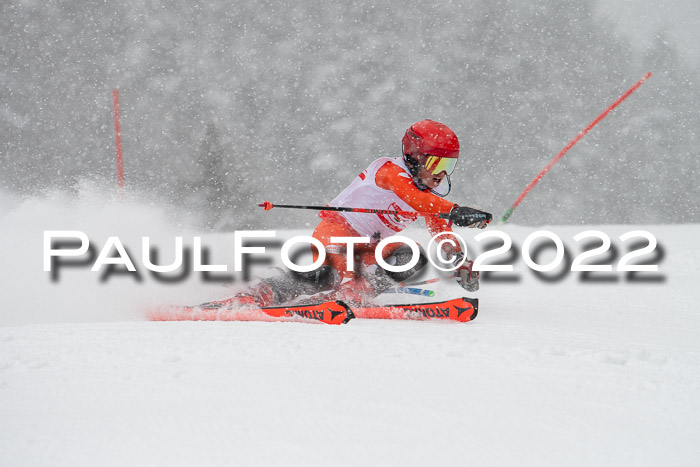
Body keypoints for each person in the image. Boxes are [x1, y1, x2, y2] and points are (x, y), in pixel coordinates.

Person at [233, 119, 492, 308]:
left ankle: (354, 293)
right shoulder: (390, 171)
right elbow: (413, 197)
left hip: (369, 249)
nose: (441, 174)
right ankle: (259, 293)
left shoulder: (430, 199)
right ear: (414, 157)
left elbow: (441, 231)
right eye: (436, 163)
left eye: (449, 165)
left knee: (413, 255)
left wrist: (459, 260)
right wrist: (455, 210)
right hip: (337, 234)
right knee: (325, 277)